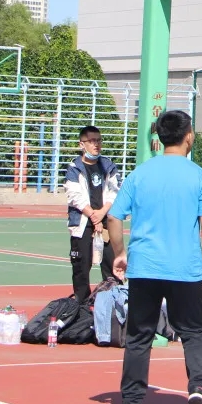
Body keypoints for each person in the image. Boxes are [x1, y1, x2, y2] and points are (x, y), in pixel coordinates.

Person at [106, 110, 202, 404]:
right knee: (195, 331)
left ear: (159, 136)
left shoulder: (140, 173)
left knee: (139, 335)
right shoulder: (199, 176)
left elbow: (114, 217)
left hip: (144, 267)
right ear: (189, 136)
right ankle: (198, 387)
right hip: (185, 268)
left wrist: (120, 252)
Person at [65, 125, 121, 304]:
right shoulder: (75, 168)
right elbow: (74, 196)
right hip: (83, 223)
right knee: (81, 267)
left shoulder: (108, 166)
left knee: (113, 265)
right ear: (82, 144)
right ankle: (81, 307)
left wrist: (102, 213)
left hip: (106, 222)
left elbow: (114, 191)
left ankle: (114, 305)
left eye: (98, 140)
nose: (96, 144)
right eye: (91, 141)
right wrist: (92, 215)